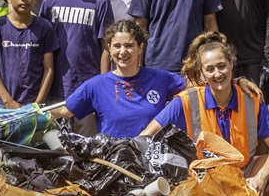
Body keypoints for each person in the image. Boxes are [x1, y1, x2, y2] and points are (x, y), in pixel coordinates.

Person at [141, 32, 269, 196]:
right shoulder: (188, 100)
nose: (217, 74)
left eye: (221, 66)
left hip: (241, 172)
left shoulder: (250, 99)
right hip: (204, 179)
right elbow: (146, 135)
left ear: (232, 63)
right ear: (201, 73)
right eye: (210, 69)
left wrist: (261, 178)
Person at [57, 20, 185, 137]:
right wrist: (38, 114)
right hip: (113, 158)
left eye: (129, 45)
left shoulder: (161, 78)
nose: (122, 52)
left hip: (153, 158)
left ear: (140, 48)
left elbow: (195, 90)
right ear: (109, 48)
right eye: (117, 46)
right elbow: (64, 111)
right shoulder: (95, 86)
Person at [41, 0, 113, 105]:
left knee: (86, 131)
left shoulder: (100, 2)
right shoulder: (50, 1)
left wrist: (102, 84)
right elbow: (43, 46)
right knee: (56, 132)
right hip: (55, 87)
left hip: (88, 86)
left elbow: (106, 47)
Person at [0, 0, 59, 108]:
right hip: (3, 104)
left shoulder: (45, 27)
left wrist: (38, 104)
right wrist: (8, 101)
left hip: (35, 104)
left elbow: (49, 69)